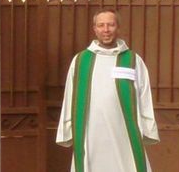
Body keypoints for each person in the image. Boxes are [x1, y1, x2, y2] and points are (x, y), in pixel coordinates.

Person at [56, 9, 159, 172]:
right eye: (101, 25)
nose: (106, 30)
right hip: (91, 130)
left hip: (124, 130)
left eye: (110, 25)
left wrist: (147, 127)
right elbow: (71, 96)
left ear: (118, 27)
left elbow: (144, 94)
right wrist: (67, 128)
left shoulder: (132, 59)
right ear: (94, 29)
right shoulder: (81, 60)